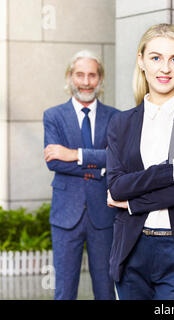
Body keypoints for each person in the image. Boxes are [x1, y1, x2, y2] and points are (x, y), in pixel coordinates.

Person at [106, 23, 174, 300]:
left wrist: (133, 203)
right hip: (132, 249)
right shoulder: (121, 123)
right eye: (155, 58)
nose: (165, 68)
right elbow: (117, 187)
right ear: (141, 60)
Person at [43, 50, 119, 299]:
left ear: (100, 79)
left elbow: (117, 160)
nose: (86, 82)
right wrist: (99, 163)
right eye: (80, 75)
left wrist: (74, 154)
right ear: (69, 77)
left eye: (92, 75)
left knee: (106, 290)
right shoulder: (53, 116)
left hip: (104, 214)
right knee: (64, 291)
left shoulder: (116, 118)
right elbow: (55, 162)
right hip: (66, 215)